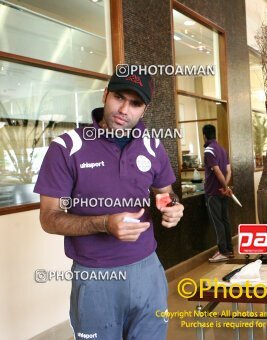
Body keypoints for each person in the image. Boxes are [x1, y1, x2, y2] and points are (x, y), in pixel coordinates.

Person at [34, 69, 184, 339]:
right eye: (118, 97)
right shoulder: (67, 147)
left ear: (144, 109)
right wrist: (103, 223)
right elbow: (49, 217)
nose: (124, 109)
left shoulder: (152, 145)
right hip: (95, 276)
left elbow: (164, 192)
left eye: (135, 103)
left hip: (148, 270)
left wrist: (171, 206)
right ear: (105, 95)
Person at [202, 124, 234, 262]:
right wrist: (226, 187)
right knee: (225, 220)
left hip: (213, 192)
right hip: (223, 191)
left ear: (204, 135)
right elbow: (228, 171)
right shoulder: (221, 149)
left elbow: (217, 171)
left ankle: (222, 251)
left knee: (218, 222)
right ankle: (229, 249)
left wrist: (224, 186)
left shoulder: (209, 150)